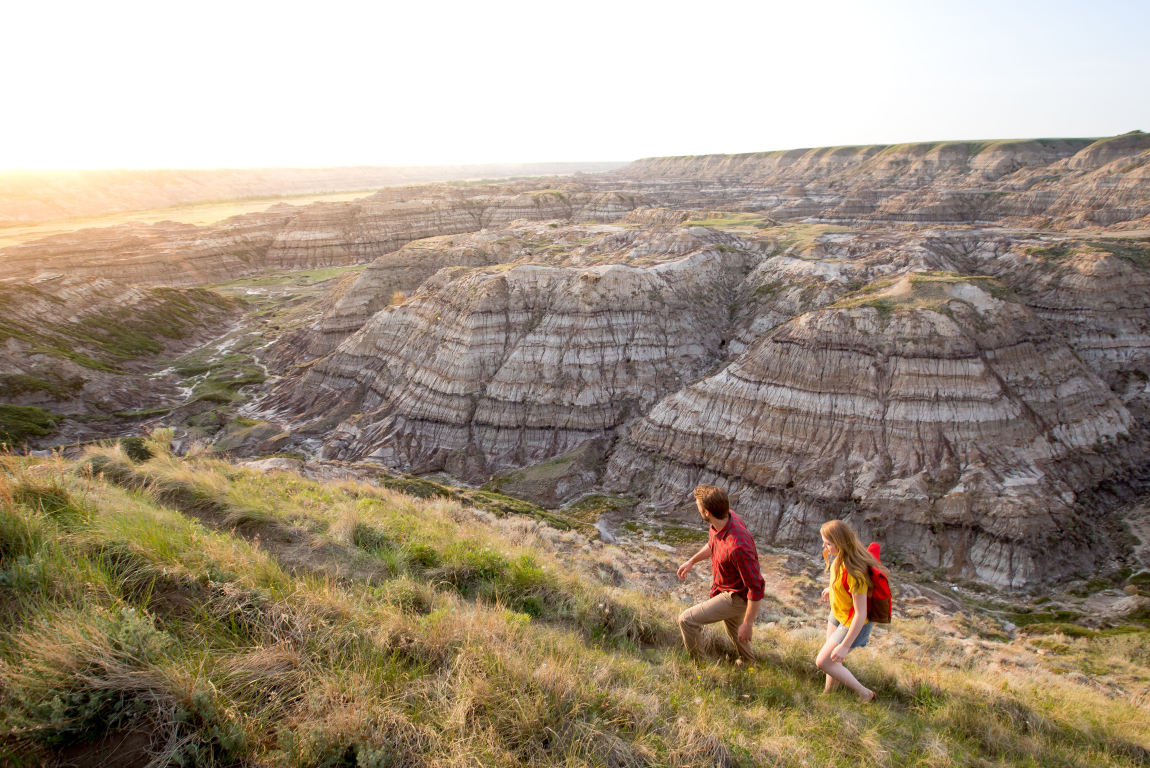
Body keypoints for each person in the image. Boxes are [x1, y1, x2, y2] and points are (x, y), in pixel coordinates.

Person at [676, 485, 765, 662]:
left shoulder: (738, 546)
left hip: (736, 597)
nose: (697, 508)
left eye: (698, 505)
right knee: (735, 633)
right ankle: (750, 667)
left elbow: (757, 587)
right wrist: (692, 561)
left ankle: (699, 669)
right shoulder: (724, 519)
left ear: (707, 512)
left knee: (687, 620)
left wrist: (748, 624)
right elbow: (713, 544)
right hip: (726, 588)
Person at [816, 519, 883, 702]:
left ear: (839, 543)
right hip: (838, 615)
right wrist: (833, 590)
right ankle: (828, 695)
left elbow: (860, 613)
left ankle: (865, 693)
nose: (824, 546)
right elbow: (843, 584)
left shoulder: (855, 571)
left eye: (828, 543)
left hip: (852, 623)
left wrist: (845, 646)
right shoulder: (840, 558)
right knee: (832, 660)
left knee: (823, 661)